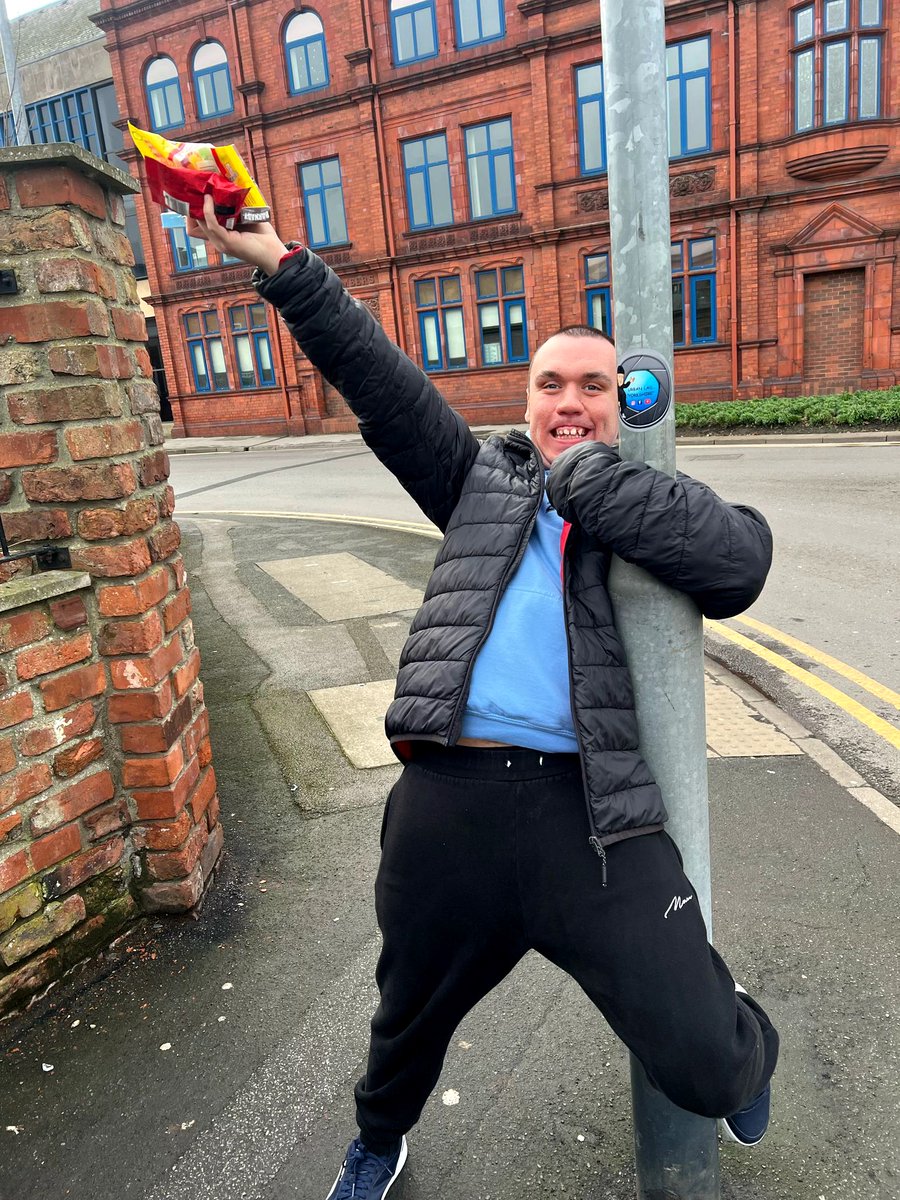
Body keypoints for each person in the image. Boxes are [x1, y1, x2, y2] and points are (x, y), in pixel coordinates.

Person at [189, 195, 780, 1199]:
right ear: (527, 396)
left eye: (595, 386)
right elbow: (379, 379)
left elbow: (739, 563)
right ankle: (381, 1142)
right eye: (551, 383)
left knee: (708, 1064)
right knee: (404, 1016)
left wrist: (590, 479)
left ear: (626, 404)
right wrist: (282, 263)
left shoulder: (650, 505)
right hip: (449, 800)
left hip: (590, 815)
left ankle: (741, 1030)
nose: (569, 402)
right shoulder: (475, 481)